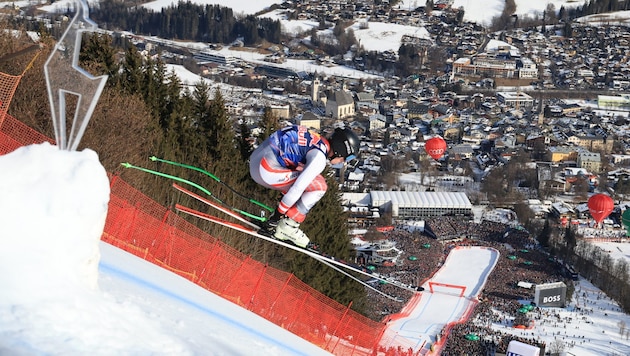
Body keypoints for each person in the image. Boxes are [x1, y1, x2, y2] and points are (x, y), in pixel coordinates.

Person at [249, 124, 360, 248]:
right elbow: (297, 188)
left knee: (305, 174)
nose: (344, 161)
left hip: (257, 159)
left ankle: (285, 220)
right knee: (319, 186)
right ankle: (288, 226)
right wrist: (276, 217)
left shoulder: (316, 139)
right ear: (341, 149)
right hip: (265, 171)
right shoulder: (319, 158)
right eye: (348, 157)